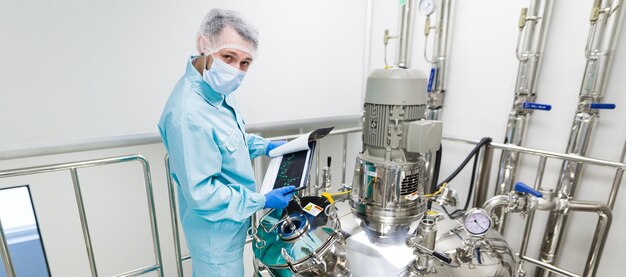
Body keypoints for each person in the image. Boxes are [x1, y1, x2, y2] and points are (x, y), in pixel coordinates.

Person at [158, 9, 295, 276]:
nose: (235, 71)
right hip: (214, 240)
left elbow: (230, 139)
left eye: (245, 63)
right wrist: (261, 199)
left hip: (231, 227)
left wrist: (265, 146)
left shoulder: (218, 88)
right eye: (228, 57)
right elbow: (202, 195)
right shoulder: (187, 115)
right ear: (204, 45)